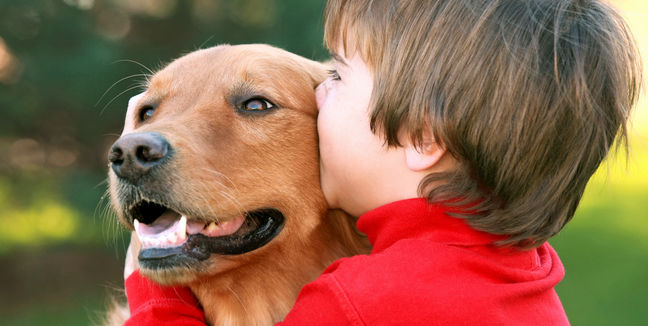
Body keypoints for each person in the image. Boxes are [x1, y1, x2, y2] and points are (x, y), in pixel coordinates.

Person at [122, 0, 642, 324]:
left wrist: (154, 301)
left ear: (420, 135)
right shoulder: (518, 270)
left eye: (340, 78)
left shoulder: (366, 302)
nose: (139, 143)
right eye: (148, 111)